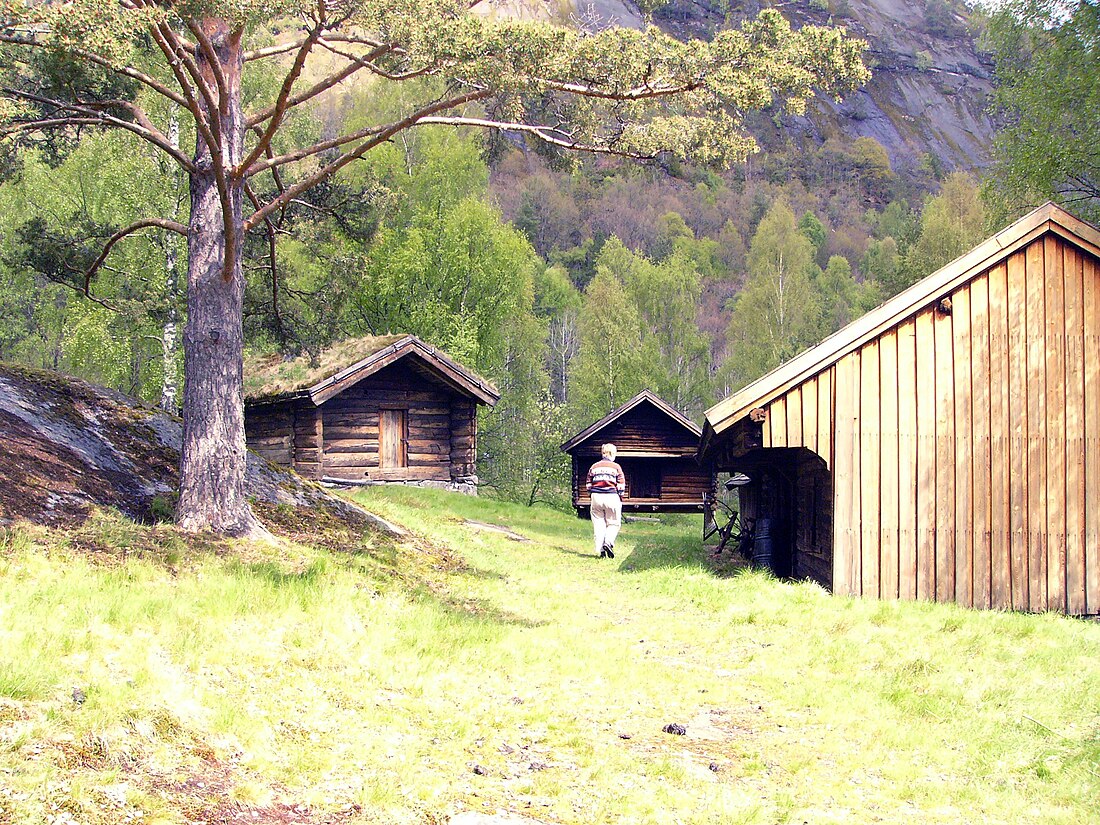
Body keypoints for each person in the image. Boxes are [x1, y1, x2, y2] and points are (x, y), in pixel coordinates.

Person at [586, 443, 626, 558]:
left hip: (596, 496)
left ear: (602, 453)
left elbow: (588, 483)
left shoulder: (594, 466)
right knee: (613, 523)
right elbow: (621, 485)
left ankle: (600, 549)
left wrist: (591, 493)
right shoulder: (616, 467)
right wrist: (620, 497)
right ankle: (608, 543)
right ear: (613, 454)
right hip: (611, 496)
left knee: (598, 523)